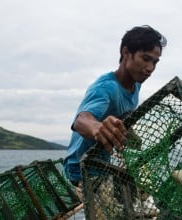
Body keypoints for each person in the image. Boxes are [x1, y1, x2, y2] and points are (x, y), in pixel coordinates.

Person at [63, 25, 167, 190]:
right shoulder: (106, 88)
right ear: (126, 53)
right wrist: (98, 128)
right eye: (145, 59)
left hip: (103, 165)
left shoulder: (136, 85)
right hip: (81, 169)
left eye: (155, 62)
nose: (150, 68)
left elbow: (120, 116)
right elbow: (81, 121)